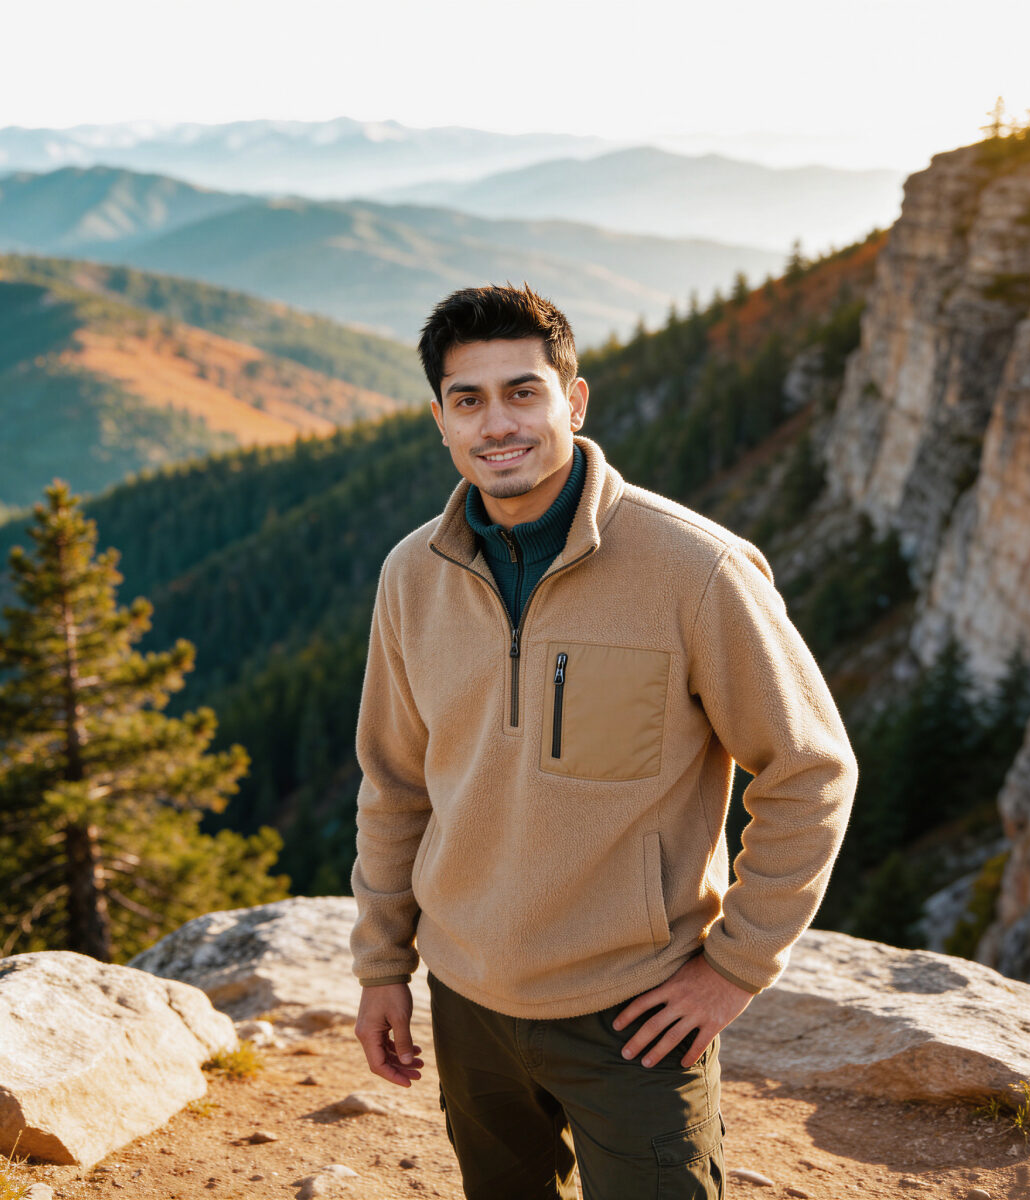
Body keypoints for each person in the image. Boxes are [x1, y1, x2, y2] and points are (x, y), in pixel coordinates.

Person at [349, 283, 857, 1199]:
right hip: (467, 1001)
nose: (496, 423)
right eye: (468, 400)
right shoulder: (410, 576)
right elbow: (394, 784)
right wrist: (384, 965)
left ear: (572, 402)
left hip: (637, 1014)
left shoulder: (695, 568)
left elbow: (810, 770)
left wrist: (734, 970)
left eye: (522, 392)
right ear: (440, 420)